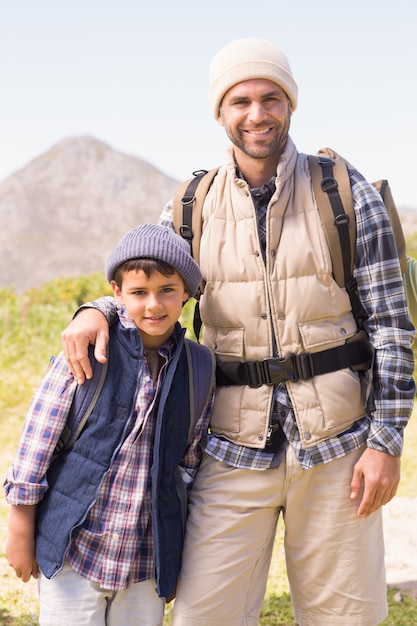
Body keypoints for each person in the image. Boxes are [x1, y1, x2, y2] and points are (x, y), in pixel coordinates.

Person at [59, 38, 415, 626]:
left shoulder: (344, 193)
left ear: (291, 105)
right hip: (229, 447)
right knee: (205, 616)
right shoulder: (191, 205)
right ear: (220, 113)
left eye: (271, 98)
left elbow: (391, 328)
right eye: (241, 100)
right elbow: (144, 285)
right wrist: (94, 311)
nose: (257, 114)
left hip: (340, 448)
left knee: (345, 619)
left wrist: (385, 445)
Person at [4, 224, 215, 626]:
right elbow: (38, 441)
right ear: (117, 293)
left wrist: (171, 556)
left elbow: (186, 469)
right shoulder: (87, 349)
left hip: (143, 559)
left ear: (186, 292)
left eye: (167, 290)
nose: (154, 305)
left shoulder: (198, 366)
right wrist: (21, 526)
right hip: (73, 550)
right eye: (138, 293)